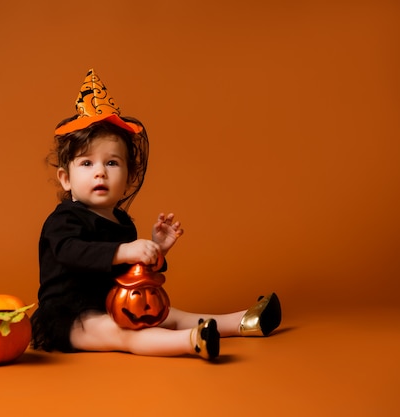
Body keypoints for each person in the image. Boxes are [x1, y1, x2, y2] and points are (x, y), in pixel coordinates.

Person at [31, 69, 281, 361]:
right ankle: (192, 341)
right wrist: (125, 251)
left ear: (128, 176)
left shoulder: (121, 223)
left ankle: (242, 322)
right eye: (86, 163)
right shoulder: (64, 221)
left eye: (111, 163)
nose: (100, 171)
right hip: (71, 316)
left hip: (113, 304)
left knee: (167, 314)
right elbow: (71, 253)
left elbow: (128, 277)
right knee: (124, 333)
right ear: (66, 179)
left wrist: (155, 252)